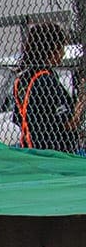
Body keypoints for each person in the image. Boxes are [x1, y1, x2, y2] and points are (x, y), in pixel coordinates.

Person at [12, 22, 77, 151]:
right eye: (61, 47)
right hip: (56, 151)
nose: (63, 53)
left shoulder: (22, 80)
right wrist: (82, 101)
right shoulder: (46, 81)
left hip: (32, 148)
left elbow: (18, 119)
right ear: (52, 49)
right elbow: (68, 123)